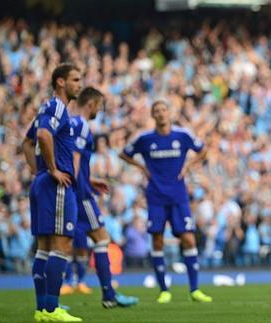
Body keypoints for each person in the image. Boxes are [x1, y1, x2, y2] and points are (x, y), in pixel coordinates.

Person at [119, 100, 211, 304]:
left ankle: (195, 289)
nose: (161, 114)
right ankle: (163, 290)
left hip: (178, 195)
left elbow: (203, 149)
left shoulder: (182, 135)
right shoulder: (145, 139)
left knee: (188, 239)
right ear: (153, 115)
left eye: (163, 110)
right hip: (156, 196)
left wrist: (188, 166)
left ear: (169, 112)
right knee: (157, 240)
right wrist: (141, 168)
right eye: (156, 111)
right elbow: (124, 154)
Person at [65, 86, 139, 308]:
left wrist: (89, 179)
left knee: (57, 245)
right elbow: (75, 163)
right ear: (91, 104)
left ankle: (50, 302)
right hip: (80, 194)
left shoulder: (68, 123)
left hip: (75, 189)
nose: (100, 110)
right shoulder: (82, 125)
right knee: (101, 238)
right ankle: (108, 295)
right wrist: (82, 185)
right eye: (100, 106)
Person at [22, 63, 83, 322]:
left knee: (44, 247)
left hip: (42, 182)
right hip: (56, 184)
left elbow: (28, 141)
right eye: (75, 79)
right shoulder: (58, 106)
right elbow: (44, 136)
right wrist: (53, 170)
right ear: (61, 82)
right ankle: (52, 308)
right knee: (62, 244)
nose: (79, 84)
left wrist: (39, 172)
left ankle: (42, 309)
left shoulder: (46, 108)